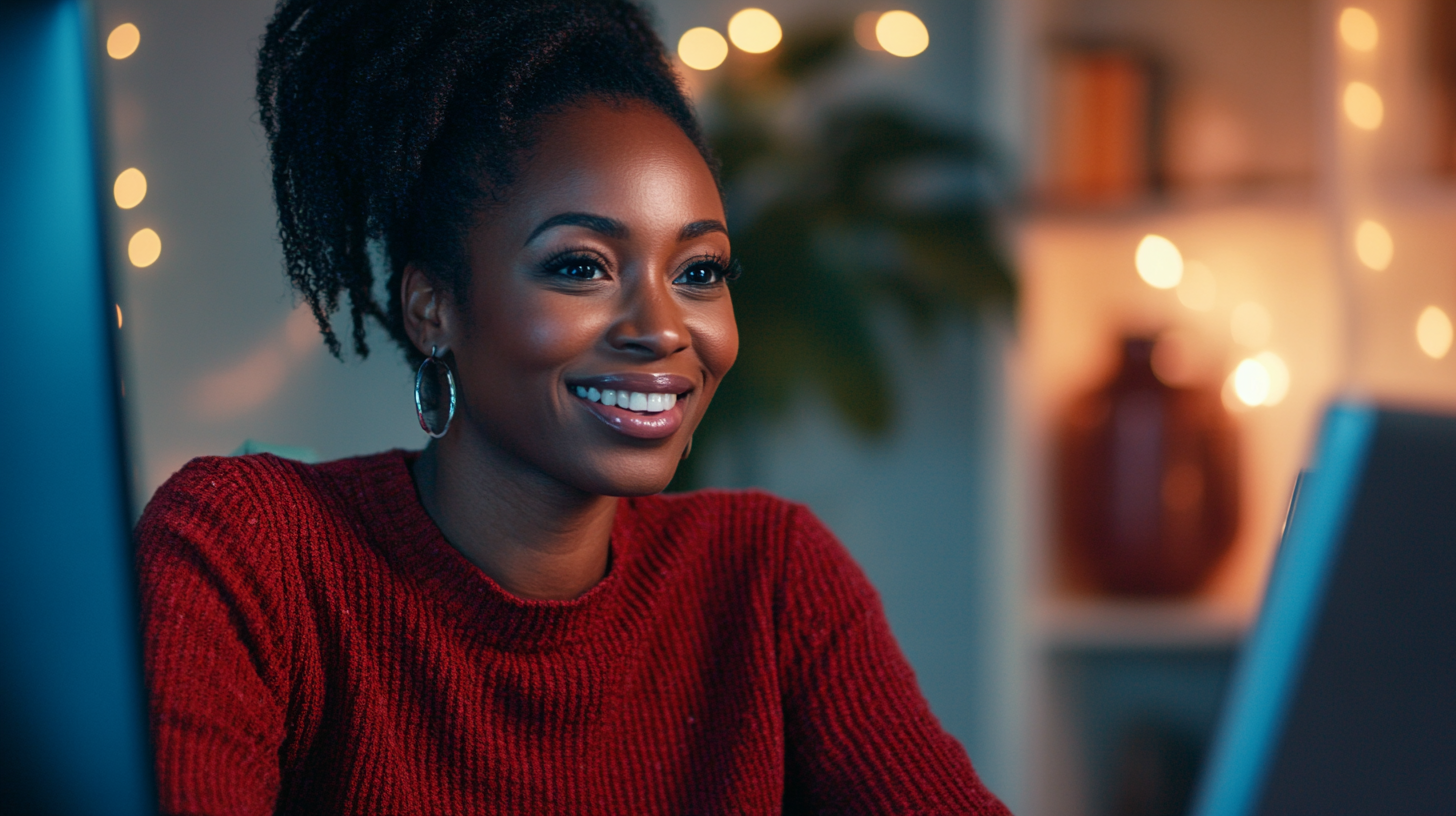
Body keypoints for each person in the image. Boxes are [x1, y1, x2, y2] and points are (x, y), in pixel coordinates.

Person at [135, 1, 1011, 813]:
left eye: (699, 272)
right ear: (433, 305)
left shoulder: (770, 579)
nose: (664, 330)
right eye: (580, 265)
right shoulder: (249, 550)